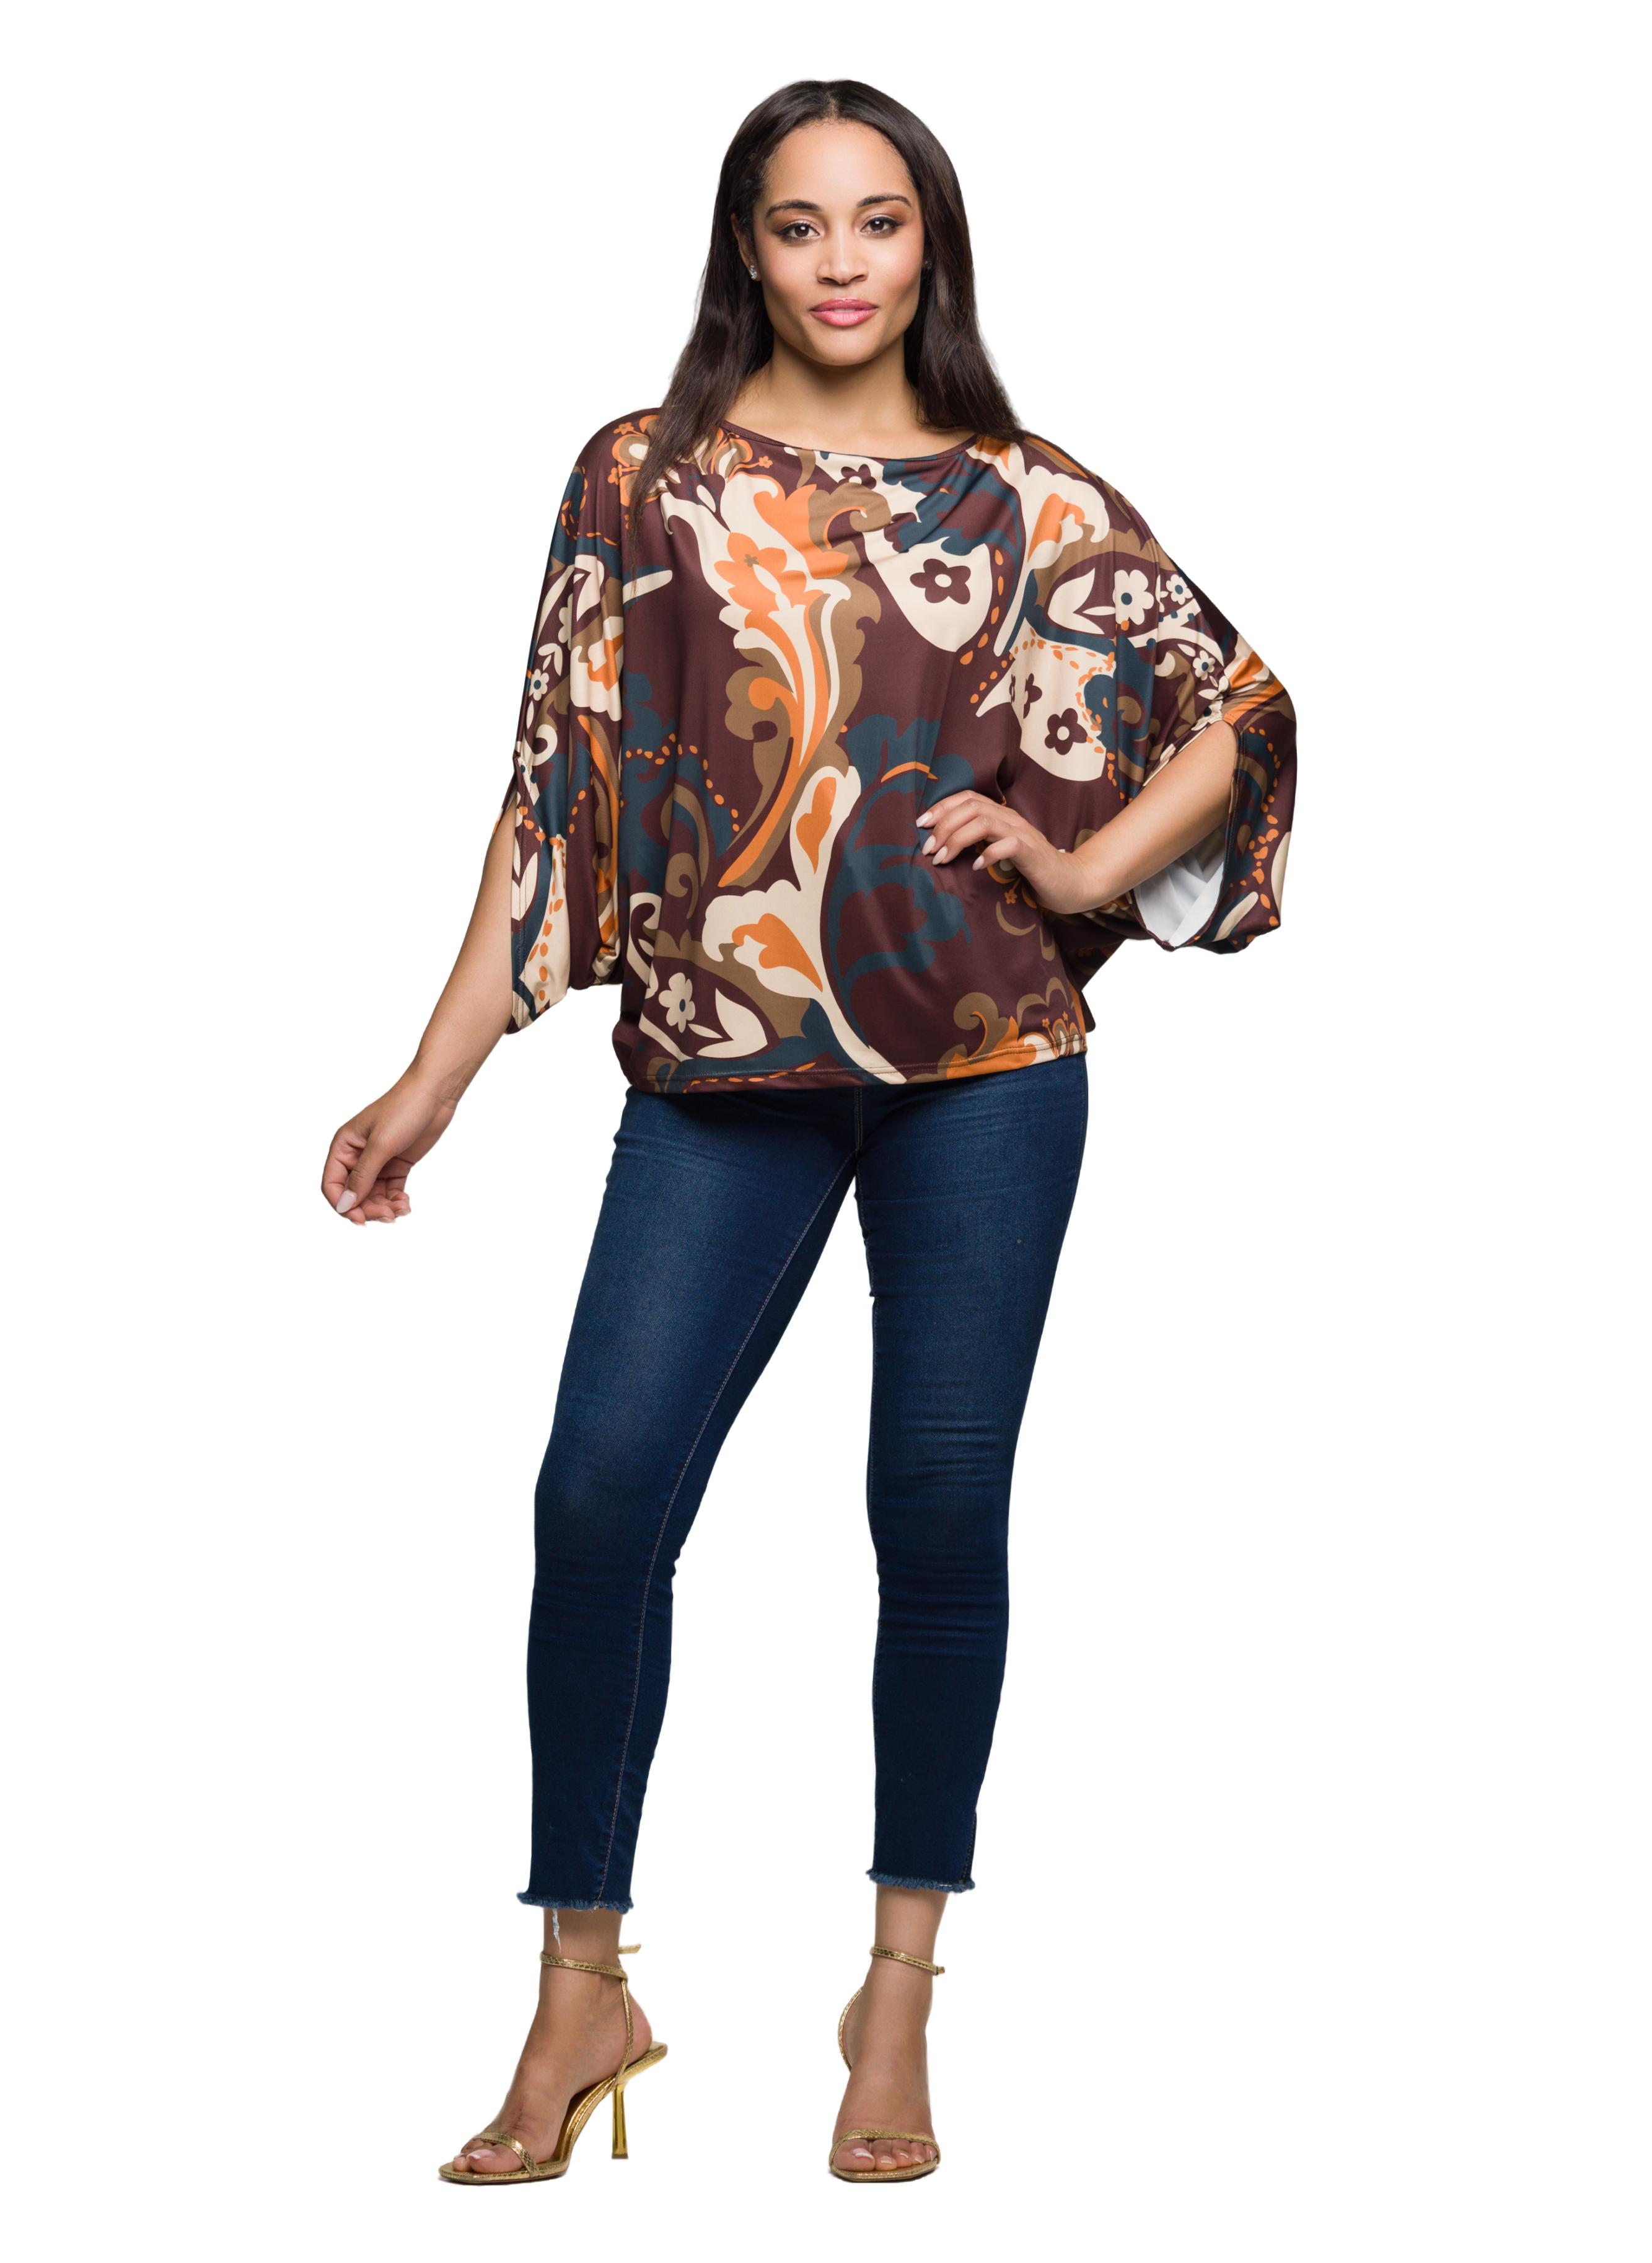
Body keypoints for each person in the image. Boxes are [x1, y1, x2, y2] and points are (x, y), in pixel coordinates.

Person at [320, 76, 1296, 2187]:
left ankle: (895, 1989)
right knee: (599, 1496)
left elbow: (1241, 709)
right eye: (797, 224)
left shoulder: (1025, 497)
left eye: (877, 221)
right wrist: (430, 1079)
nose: (841, 262)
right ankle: (580, 1987)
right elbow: (551, 794)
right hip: (719, 1070)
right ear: (743, 249)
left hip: (987, 1068)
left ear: (928, 245)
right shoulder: (641, 476)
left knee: (934, 1511)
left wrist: (1074, 859)